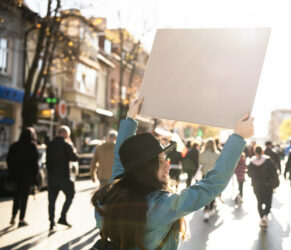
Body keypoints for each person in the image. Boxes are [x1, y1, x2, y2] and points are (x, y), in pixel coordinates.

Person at [91, 97, 254, 250]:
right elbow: (211, 185)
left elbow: (121, 161)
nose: (167, 166)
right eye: (161, 162)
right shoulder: (161, 206)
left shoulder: (108, 197)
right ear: (146, 168)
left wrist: (130, 119)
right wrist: (238, 137)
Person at [46, 125, 79, 230]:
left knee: (51, 201)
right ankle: (62, 217)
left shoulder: (50, 145)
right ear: (65, 134)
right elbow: (75, 157)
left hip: (52, 177)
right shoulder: (66, 144)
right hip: (64, 177)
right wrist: (71, 145)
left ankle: (51, 222)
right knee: (70, 195)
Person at [6, 127, 39, 227]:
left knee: (16, 196)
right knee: (24, 197)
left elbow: (8, 159)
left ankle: (13, 215)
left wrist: (12, 170)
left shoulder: (14, 146)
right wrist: (35, 176)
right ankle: (21, 219)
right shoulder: (32, 146)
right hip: (27, 177)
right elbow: (35, 163)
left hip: (17, 175)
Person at [247, 146, 277, 228]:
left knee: (259, 201)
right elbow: (274, 171)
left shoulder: (251, 162)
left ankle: (262, 217)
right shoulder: (268, 160)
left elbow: (249, 174)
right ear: (262, 151)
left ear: (255, 152)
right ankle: (265, 216)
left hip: (256, 185)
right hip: (267, 184)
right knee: (268, 201)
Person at [199, 138, 220, 221]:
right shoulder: (217, 154)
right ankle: (211, 208)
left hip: (204, 175)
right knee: (212, 192)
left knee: (205, 192)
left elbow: (199, 165)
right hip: (213, 176)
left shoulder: (202, 153)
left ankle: (205, 210)